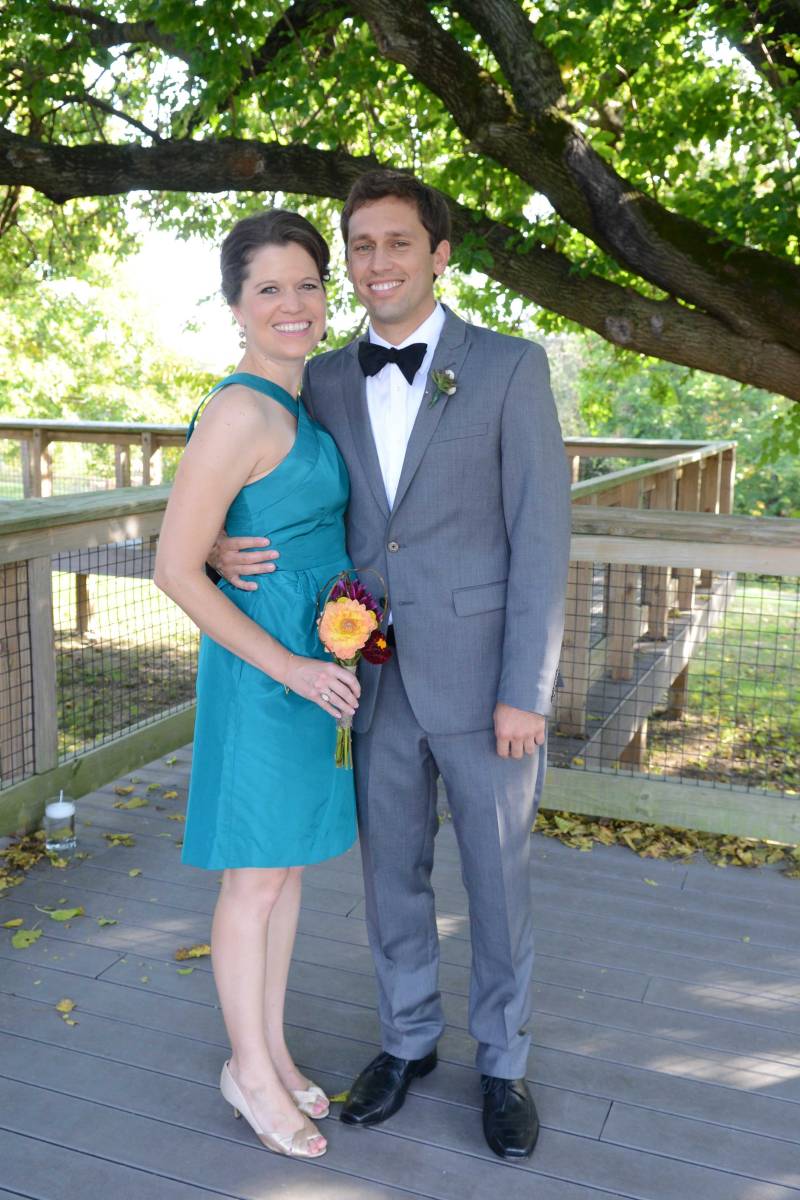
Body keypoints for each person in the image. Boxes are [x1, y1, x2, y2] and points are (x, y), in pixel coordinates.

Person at [210, 171, 571, 1160]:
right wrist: (210, 548)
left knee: (496, 877)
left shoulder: (509, 368)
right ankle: (407, 1039)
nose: (378, 262)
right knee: (390, 876)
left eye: (398, 242)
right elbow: (246, 467)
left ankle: (502, 1062)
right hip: (365, 675)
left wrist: (525, 691)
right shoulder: (319, 376)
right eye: (360, 245)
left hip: (484, 683)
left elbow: (542, 537)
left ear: (438, 254)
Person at [154, 210, 363, 1160]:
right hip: (266, 670)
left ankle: (271, 1050)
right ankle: (246, 1073)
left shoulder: (300, 402)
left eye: (307, 284)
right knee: (254, 880)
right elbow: (174, 565)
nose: (293, 303)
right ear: (235, 305)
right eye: (269, 288)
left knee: (285, 868)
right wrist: (290, 666)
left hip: (311, 665)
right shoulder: (240, 408)